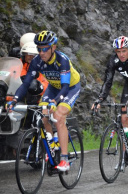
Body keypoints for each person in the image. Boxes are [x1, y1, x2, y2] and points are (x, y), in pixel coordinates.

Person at [7, 30, 81, 171]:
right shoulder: (37, 61)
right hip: (53, 87)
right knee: (43, 115)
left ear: (53, 47)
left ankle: (64, 159)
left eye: (45, 49)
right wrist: (15, 100)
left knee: (58, 117)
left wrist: (56, 101)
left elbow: (65, 87)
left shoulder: (62, 60)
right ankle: (52, 147)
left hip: (70, 88)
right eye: (39, 49)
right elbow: (26, 84)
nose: (41, 53)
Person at [20, 41, 49, 128]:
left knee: (35, 118)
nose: (30, 57)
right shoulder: (18, 64)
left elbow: (47, 85)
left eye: (33, 55)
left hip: (35, 99)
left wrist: (38, 86)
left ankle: (34, 136)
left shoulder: (42, 67)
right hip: (17, 97)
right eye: (28, 54)